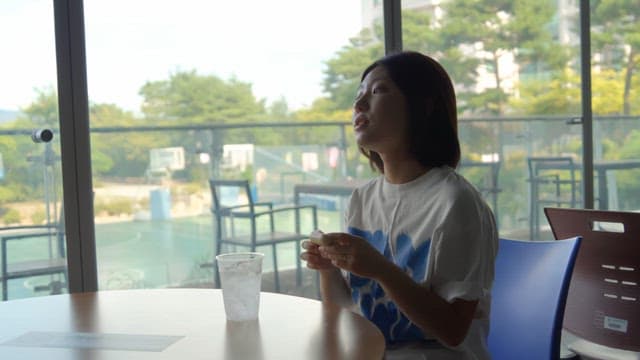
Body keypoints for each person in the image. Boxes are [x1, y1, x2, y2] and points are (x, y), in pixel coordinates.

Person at [301, 51, 498, 360]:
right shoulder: (362, 200)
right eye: (359, 95)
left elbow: (452, 330)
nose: (359, 104)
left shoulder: (455, 203)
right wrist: (328, 269)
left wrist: (380, 269)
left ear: (423, 106)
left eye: (378, 91)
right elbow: (350, 311)